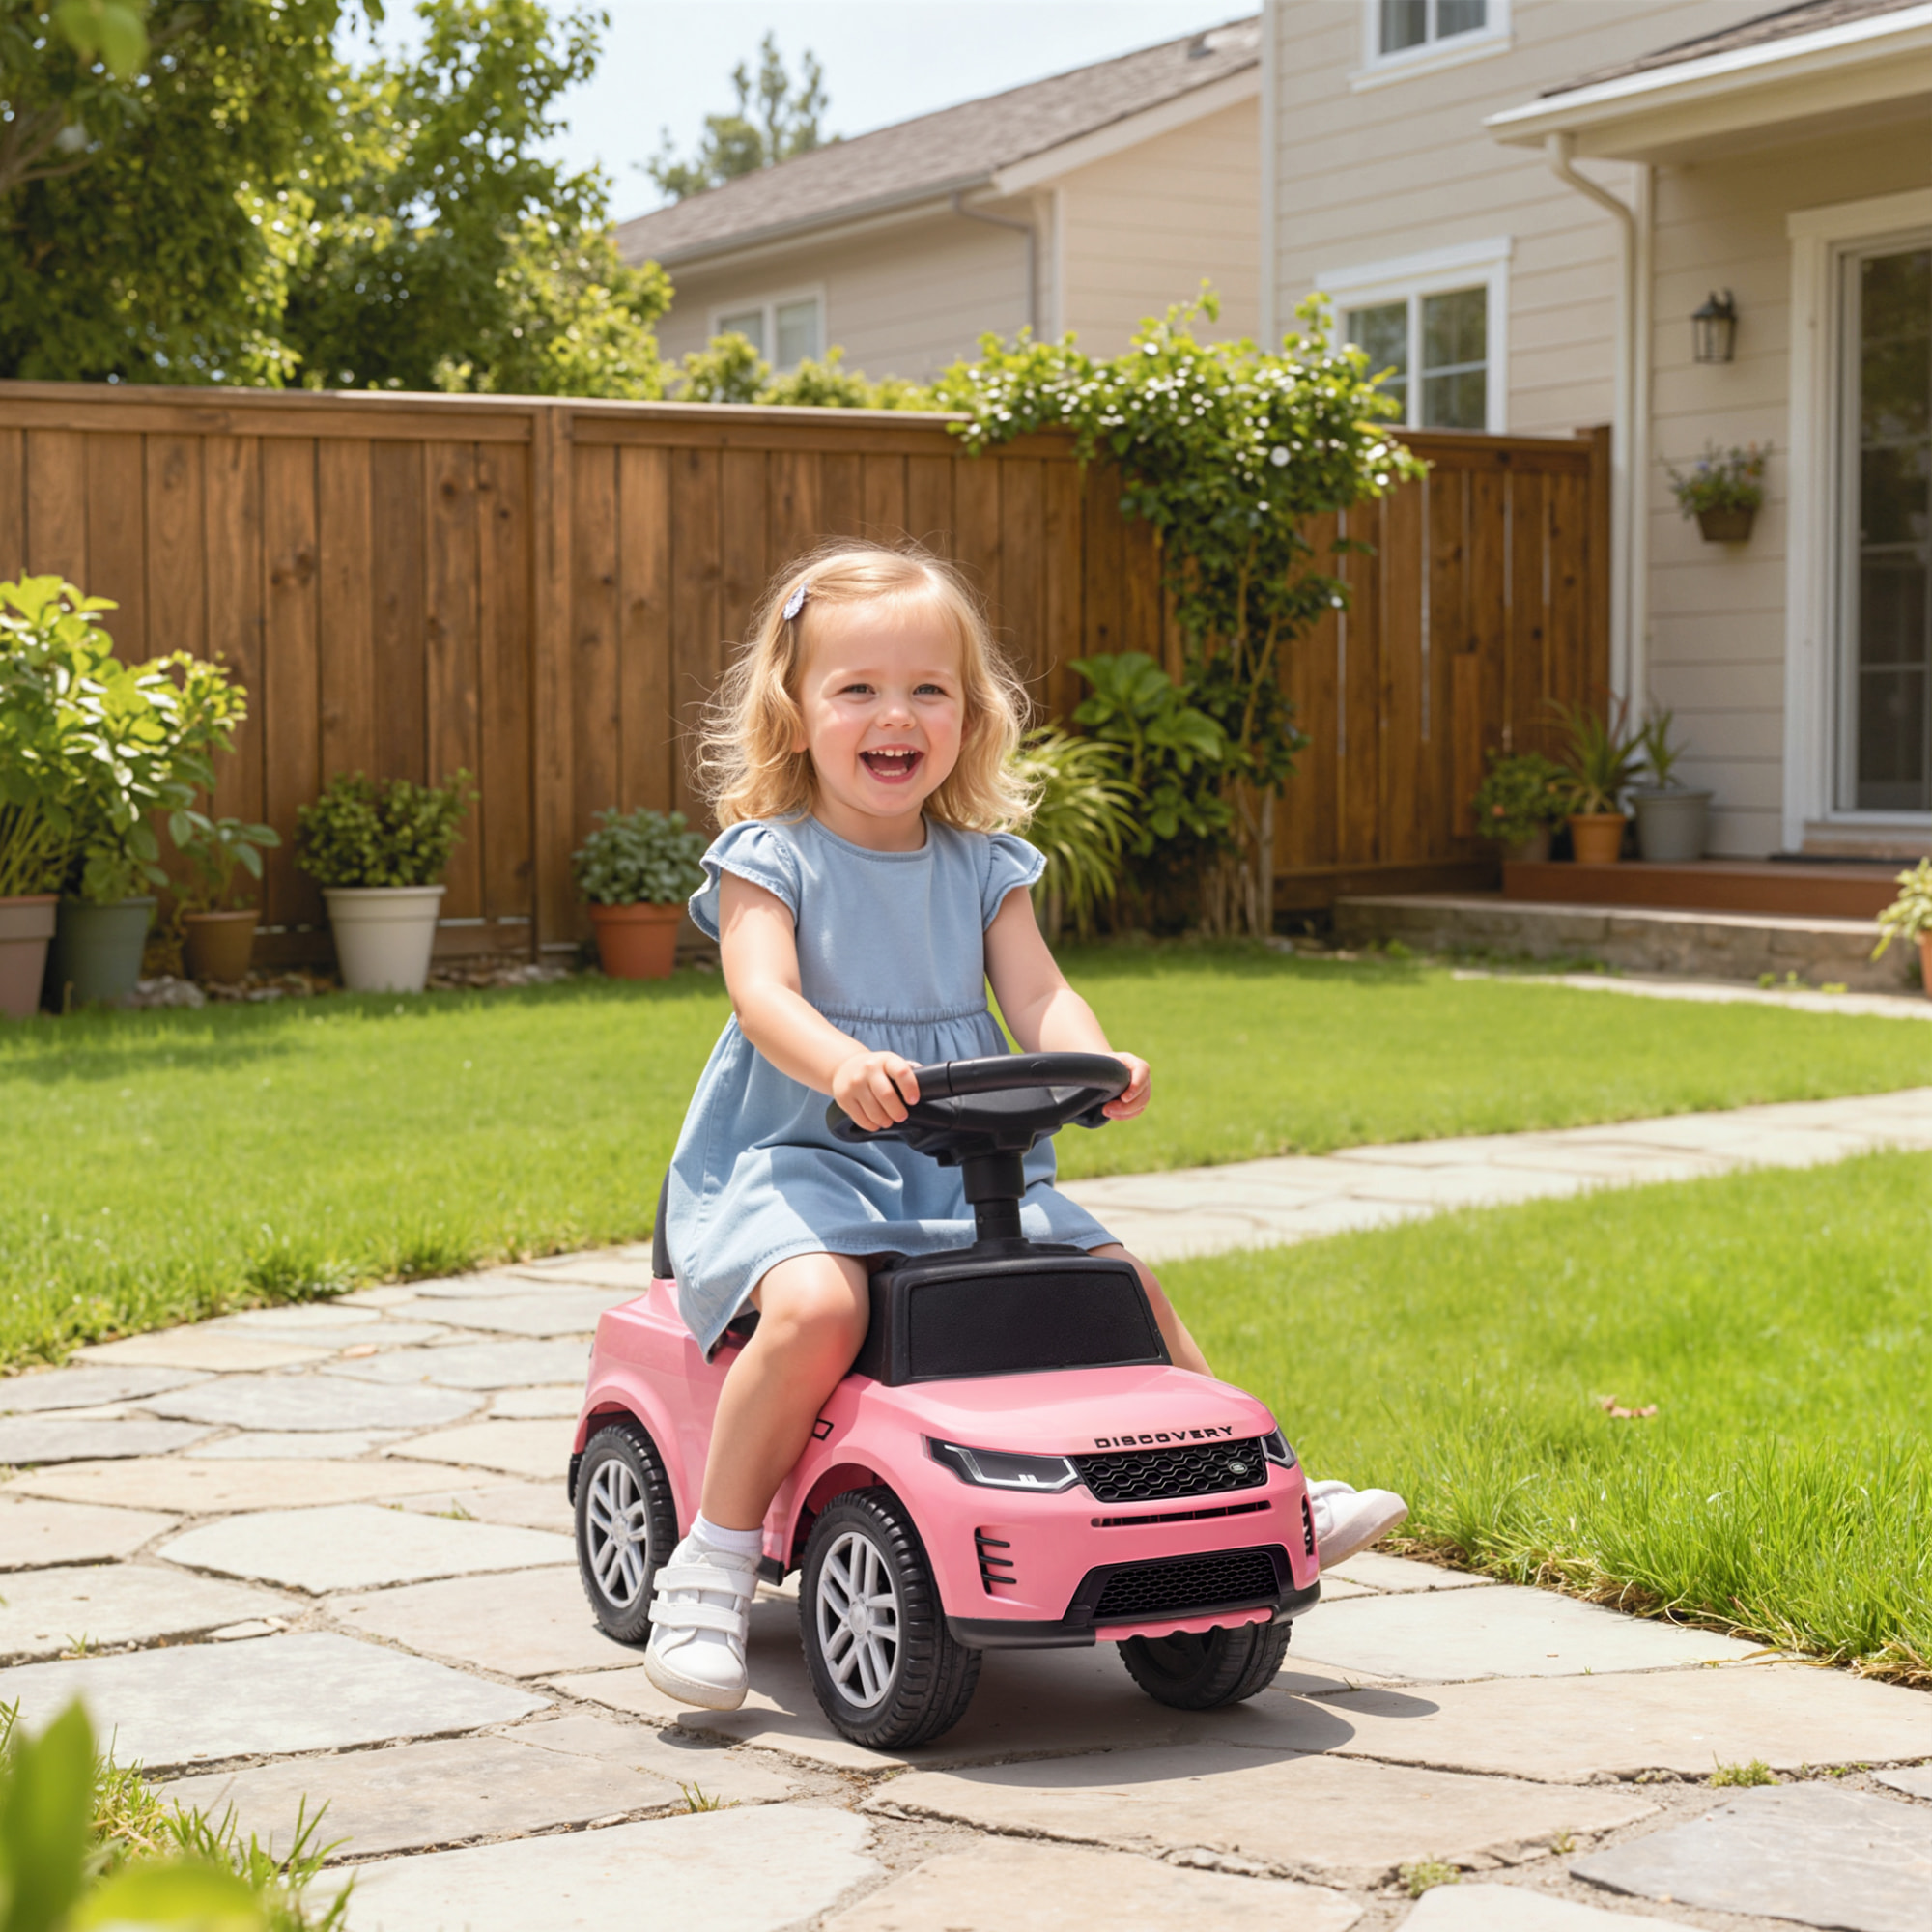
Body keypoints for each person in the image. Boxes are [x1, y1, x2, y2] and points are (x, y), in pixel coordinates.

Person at [644, 542, 1405, 1711]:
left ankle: (1266, 1489)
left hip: (963, 1168)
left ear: (970, 714)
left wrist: (1095, 1055)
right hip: (800, 1159)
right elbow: (762, 995)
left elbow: (1037, 990)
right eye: (856, 689)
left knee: (1117, 1282)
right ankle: (715, 1558)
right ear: (794, 713)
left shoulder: (984, 865)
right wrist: (844, 1062)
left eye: (926, 689)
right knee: (820, 1305)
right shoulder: (772, 857)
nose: (893, 715)